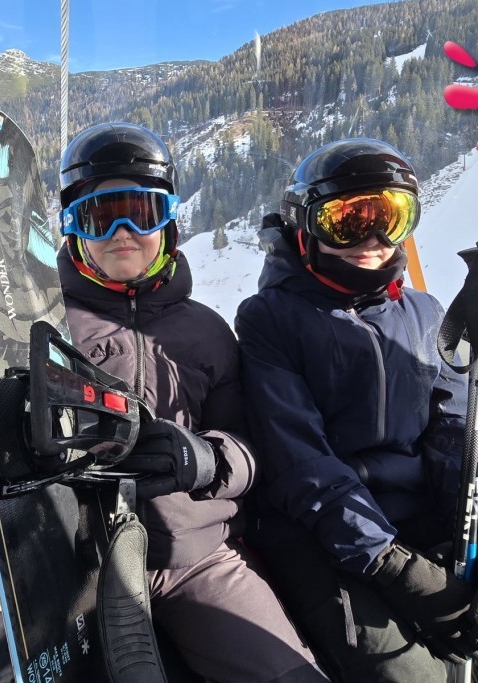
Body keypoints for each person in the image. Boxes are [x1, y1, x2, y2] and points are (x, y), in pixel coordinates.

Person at [235, 137, 478, 682]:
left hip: (430, 515)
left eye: (391, 219)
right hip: (325, 537)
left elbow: (460, 435)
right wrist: (390, 563)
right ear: (305, 226)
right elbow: (301, 462)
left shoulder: (424, 313)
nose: (371, 240)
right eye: (346, 222)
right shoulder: (269, 319)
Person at [54, 122, 324, 682]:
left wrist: (209, 459)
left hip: (194, 557)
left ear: (170, 221)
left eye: (142, 213)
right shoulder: (48, 329)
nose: (123, 233)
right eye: (100, 217)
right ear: (73, 227)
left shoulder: (206, 332)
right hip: (79, 565)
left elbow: (252, 443)